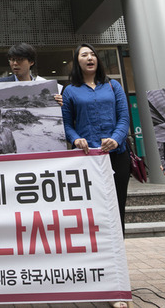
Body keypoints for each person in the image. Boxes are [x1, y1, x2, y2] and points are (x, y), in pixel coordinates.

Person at [61, 44, 131, 230]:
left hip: (117, 155)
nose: (90, 58)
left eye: (93, 54)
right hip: (87, 158)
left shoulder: (112, 85)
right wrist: (75, 139)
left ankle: (118, 254)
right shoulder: (69, 91)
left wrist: (115, 139)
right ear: (77, 61)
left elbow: (124, 118)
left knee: (117, 207)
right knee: (92, 208)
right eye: (84, 55)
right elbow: (66, 124)